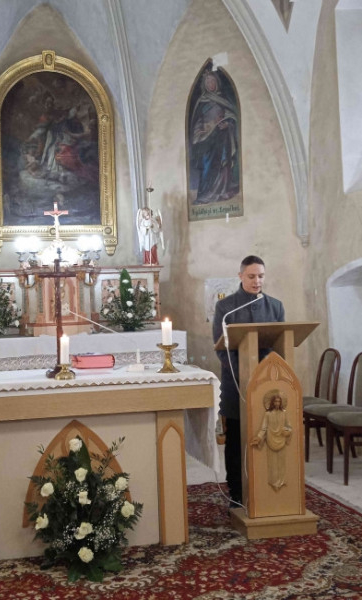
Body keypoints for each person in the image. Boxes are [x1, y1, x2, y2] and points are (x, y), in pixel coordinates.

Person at [212, 255, 285, 508]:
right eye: (252, 276)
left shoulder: (275, 306)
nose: (257, 281)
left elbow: (280, 345)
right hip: (237, 384)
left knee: (267, 435)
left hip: (269, 387)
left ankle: (268, 487)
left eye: (261, 276)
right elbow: (222, 349)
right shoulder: (226, 307)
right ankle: (236, 492)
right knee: (236, 438)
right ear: (241, 276)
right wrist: (246, 376)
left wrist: (267, 375)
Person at [190, 69, 239, 205]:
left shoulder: (223, 99)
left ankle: (221, 190)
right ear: (204, 85)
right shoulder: (202, 102)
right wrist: (203, 130)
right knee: (207, 165)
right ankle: (205, 194)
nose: (210, 84)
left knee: (223, 163)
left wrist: (228, 124)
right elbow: (197, 122)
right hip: (206, 139)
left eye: (212, 81)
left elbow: (232, 116)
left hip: (222, 136)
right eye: (208, 82)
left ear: (216, 83)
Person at [250, 390, 292, 491]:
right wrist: (259, 437)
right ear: (272, 402)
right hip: (271, 439)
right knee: (272, 462)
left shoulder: (284, 413)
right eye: (275, 401)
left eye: (279, 401)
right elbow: (263, 428)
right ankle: (273, 482)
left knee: (281, 462)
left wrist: (287, 431)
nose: (277, 403)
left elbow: (289, 426)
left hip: (281, 439)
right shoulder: (268, 414)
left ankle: (281, 481)